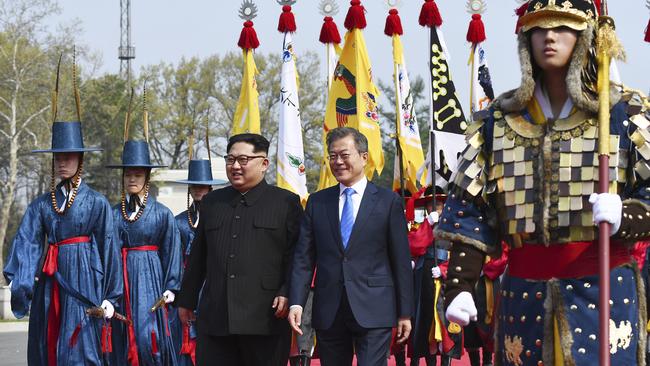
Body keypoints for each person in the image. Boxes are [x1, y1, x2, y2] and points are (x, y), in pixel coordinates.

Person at [436, 0, 650, 364]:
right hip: (524, 296)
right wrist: (459, 284)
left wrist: (625, 215)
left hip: (602, 292)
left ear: (585, 37)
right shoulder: (497, 121)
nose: (549, 37)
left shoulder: (623, 112)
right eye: (539, 28)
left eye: (562, 27)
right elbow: (470, 210)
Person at [3, 71, 122, 365]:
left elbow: (109, 248)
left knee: (83, 347)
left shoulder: (96, 202)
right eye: (58, 156)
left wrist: (111, 297)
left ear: (80, 159)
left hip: (85, 281)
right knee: (50, 345)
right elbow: (28, 241)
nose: (62, 162)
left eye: (69, 156)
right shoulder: (42, 204)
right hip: (51, 284)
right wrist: (21, 283)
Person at [288, 127, 414, 366]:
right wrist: (297, 302)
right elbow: (304, 259)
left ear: (364, 157)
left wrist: (405, 311)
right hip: (329, 309)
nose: (337, 162)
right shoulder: (317, 202)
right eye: (332, 156)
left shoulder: (388, 202)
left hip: (375, 306)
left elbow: (400, 260)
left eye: (344, 155)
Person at [177, 133, 303, 366]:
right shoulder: (213, 203)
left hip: (265, 317)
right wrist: (186, 299)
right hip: (216, 315)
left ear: (264, 163)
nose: (235, 166)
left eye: (243, 160)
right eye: (230, 159)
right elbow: (198, 256)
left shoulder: (285, 203)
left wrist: (287, 291)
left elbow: (296, 256)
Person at [108, 137, 182, 366]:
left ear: (147, 178)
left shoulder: (162, 214)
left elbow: (172, 251)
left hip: (150, 280)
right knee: (120, 332)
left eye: (138, 175)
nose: (132, 179)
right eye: (128, 174)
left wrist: (171, 286)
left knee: (147, 336)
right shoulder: (112, 213)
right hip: (120, 279)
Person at [170, 158, 225, 366]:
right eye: (194, 186)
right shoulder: (179, 222)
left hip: (212, 282)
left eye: (203, 186)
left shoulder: (220, 218)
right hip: (188, 282)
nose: (199, 190)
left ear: (210, 187)